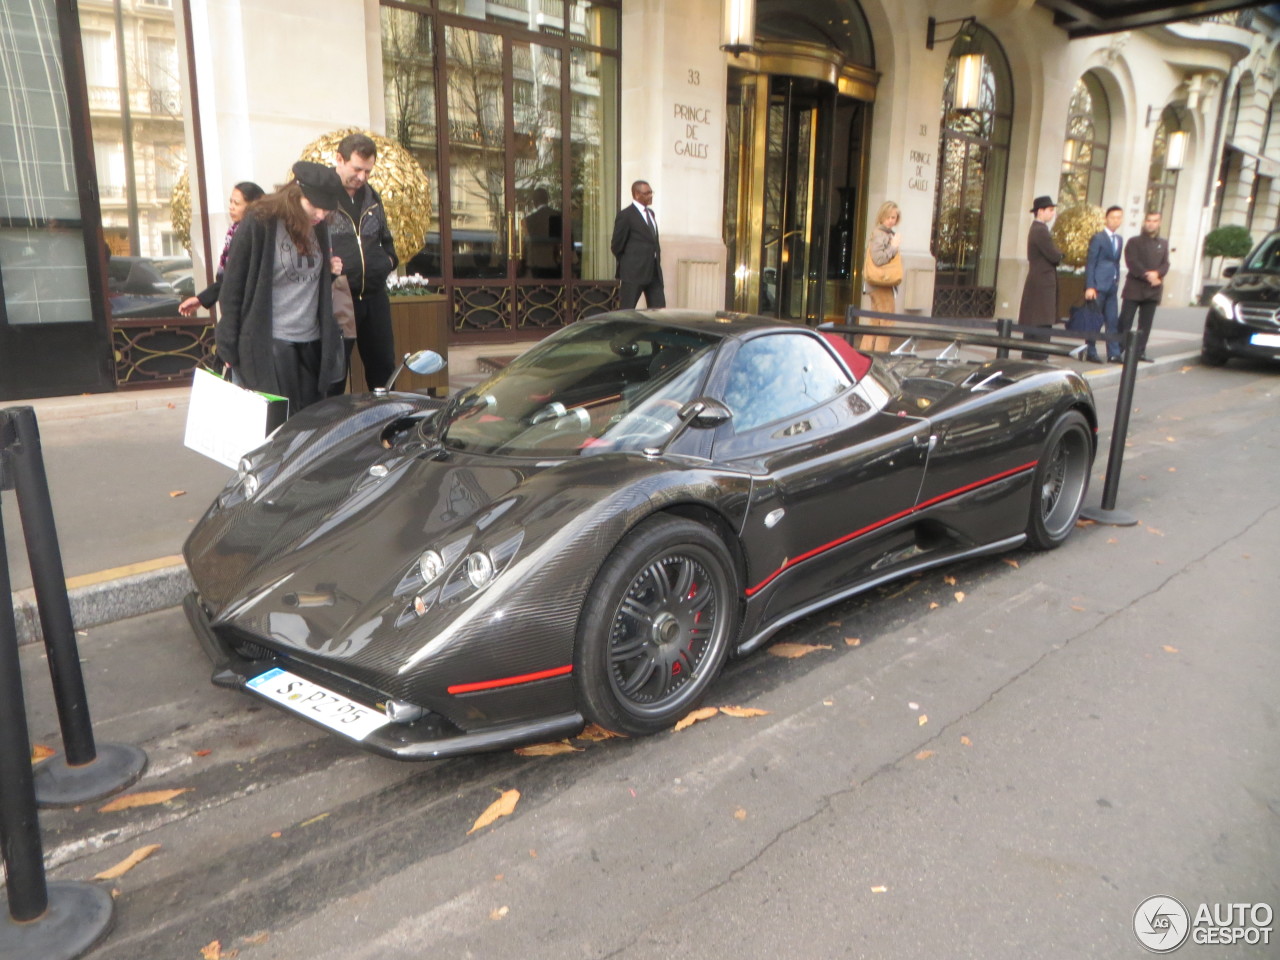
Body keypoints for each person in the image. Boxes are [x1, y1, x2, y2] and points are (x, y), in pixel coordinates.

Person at [215, 161, 346, 417]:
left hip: (312, 341)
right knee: (278, 425)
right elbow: (233, 286)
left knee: (308, 424)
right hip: (271, 341)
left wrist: (327, 274)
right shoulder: (260, 221)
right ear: (296, 194)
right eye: (314, 206)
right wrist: (227, 345)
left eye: (326, 210)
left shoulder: (319, 226)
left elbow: (305, 279)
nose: (320, 215)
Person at [329, 133, 398, 391]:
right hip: (339, 294)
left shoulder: (372, 196)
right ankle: (330, 426)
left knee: (383, 368)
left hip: (374, 296)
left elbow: (386, 237)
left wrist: (389, 261)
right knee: (335, 373)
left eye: (368, 171)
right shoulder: (322, 195)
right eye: (357, 169)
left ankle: (386, 424)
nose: (362, 177)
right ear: (339, 159)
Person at [179, 181, 265, 316]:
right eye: (230, 202)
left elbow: (236, 277)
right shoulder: (234, 231)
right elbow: (227, 278)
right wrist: (201, 299)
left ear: (253, 206)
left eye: (236, 204)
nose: (231, 207)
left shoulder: (257, 235)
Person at [1117, 211, 1169, 363]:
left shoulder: (1163, 243)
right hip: (1135, 287)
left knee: (1145, 324)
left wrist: (1158, 274)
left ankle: (1140, 351)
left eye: (1155, 221)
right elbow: (1131, 262)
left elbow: (1166, 263)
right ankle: (1119, 350)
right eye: (1148, 220)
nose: (1151, 223)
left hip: (1153, 290)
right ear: (1144, 222)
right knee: (1125, 320)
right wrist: (1148, 275)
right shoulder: (1134, 241)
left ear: (1159, 223)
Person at [1018, 195, 1063, 360]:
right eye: (1050, 210)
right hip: (1042, 283)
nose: (1052, 214)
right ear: (1040, 211)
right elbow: (1054, 255)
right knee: (1041, 322)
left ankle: (1033, 356)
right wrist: (1061, 254)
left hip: (1039, 281)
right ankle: (1038, 358)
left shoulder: (1037, 229)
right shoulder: (1040, 230)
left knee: (1035, 321)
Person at [612, 180, 665, 309]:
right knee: (627, 310)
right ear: (637, 194)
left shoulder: (651, 214)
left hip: (653, 271)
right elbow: (616, 245)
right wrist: (629, 262)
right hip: (633, 272)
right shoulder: (626, 215)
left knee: (659, 310)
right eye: (647, 193)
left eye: (651, 192)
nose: (650, 196)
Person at [1082, 205, 1125, 363]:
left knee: (1112, 320)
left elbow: (1116, 261)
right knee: (1094, 320)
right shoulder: (1098, 238)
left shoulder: (1119, 239)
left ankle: (1113, 353)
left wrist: (1117, 278)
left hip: (1112, 286)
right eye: (1113, 217)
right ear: (1106, 219)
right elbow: (1091, 262)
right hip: (1098, 285)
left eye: (1119, 217)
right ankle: (1090, 351)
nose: (1116, 220)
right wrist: (1090, 286)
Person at [863, 200, 902, 352]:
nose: (892, 220)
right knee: (886, 322)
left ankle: (866, 352)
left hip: (876, 284)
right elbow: (878, 259)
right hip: (881, 284)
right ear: (882, 216)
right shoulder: (881, 234)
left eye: (894, 217)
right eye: (889, 217)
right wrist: (894, 246)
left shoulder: (881, 233)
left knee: (874, 322)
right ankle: (881, 355)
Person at [522, 187, 562, 279]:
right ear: (547, 200)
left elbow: (527, 242)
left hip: (535, 263)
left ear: (534, 201)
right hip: (552, 262)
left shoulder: (529, 220)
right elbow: (557, 242)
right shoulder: (556, 215)